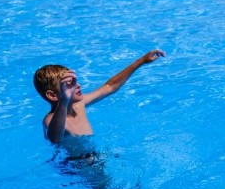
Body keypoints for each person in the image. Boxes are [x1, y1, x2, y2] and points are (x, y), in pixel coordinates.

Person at [33, 50, 166, 145]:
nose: (77, 86)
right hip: (76, 165)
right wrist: (64, 101)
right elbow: (55, 138)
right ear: (52, 95)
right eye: (69, 85)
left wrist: (141, 61)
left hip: (93, 156)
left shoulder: (78, 105)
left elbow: (111, 86)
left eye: (75, 81)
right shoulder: (50, 120)